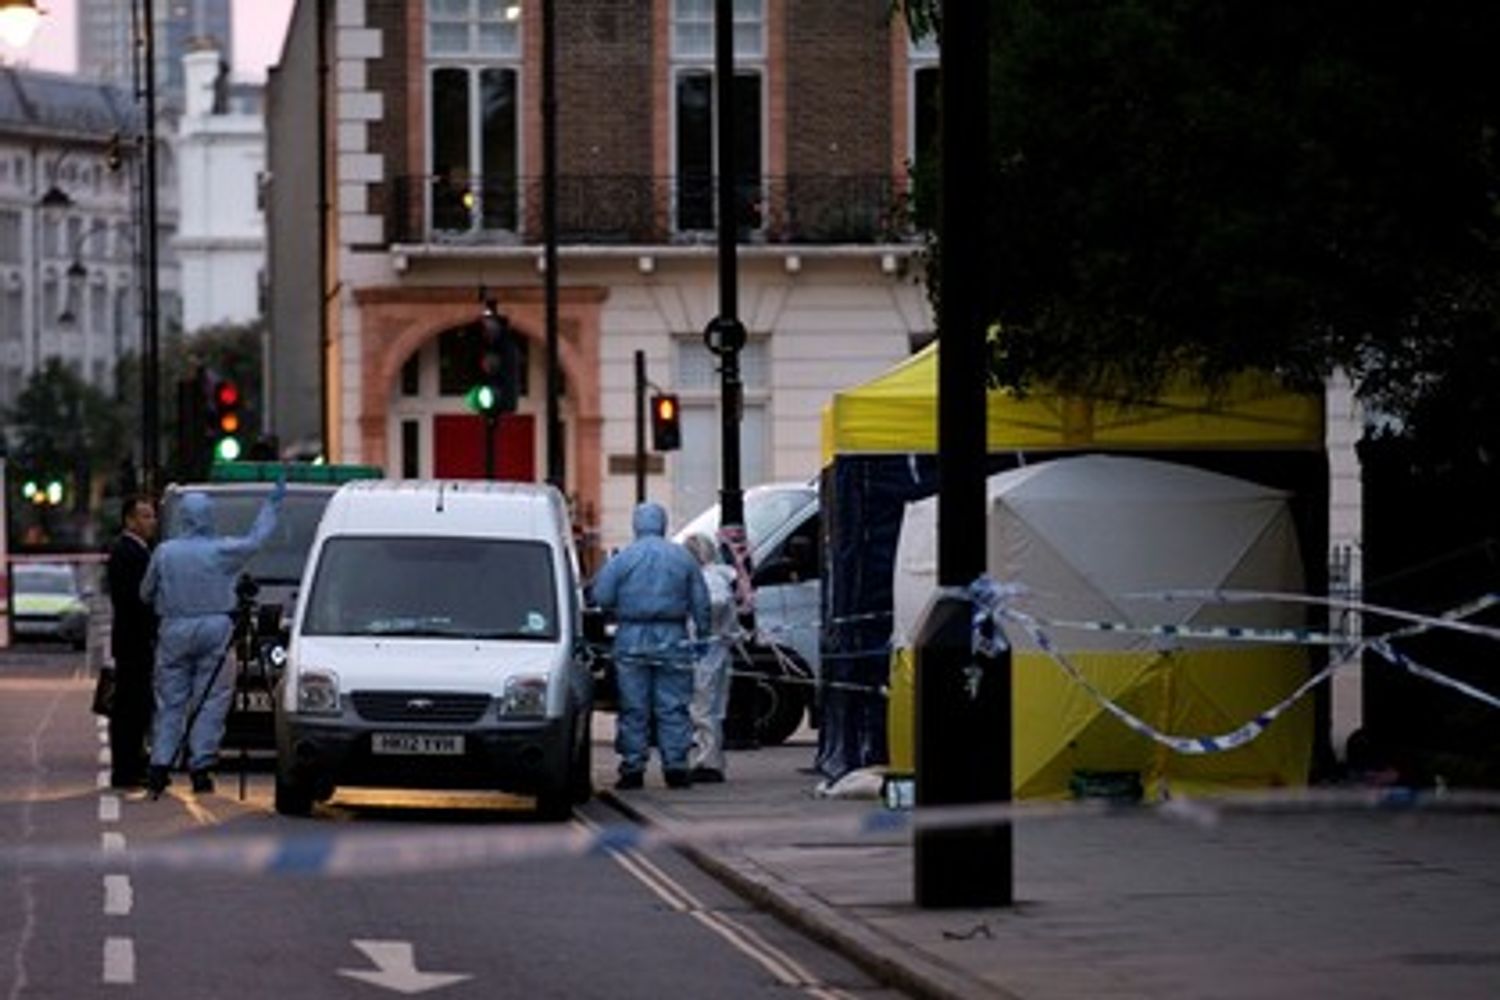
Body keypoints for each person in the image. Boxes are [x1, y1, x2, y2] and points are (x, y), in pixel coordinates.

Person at [142, 474, 286, 796]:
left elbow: (145, 592)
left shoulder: (165, 552)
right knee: (212, 700)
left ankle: (160, 764)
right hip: (216, 628)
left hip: (175, 628)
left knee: (170, 701)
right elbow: (255, 540)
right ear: (208, 517)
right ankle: (201, 766)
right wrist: (271, 507)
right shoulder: (222, 551)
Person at [592, 502, 710, 790]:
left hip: (631, 635)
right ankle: (676, 766)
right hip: (673, 635)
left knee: (634, 706)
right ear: (663, 524)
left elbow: (602, 596)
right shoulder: (682, 558)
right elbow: (701, 603)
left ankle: (633, 768)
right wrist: (703, 636)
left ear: (636, 525)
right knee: (673, 705)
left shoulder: (623, 559)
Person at [106, 495, 159, 789]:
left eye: (152, 516)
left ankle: (131, 763)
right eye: (145, 516)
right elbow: (136, 600)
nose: (152, 522)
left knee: (136, 705)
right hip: (133, 641)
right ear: (129, 520)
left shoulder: (135, 550)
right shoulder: (128, 552)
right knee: (131, 706)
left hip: (132, 640)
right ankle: (126, 768)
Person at [683, 533, 738, 784]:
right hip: (717, 650)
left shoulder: (709, 578)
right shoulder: (719, 576)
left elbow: (715, 603)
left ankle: (708, 761)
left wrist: (702, 622)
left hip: (706, 651)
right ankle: (712, 758)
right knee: (712, 709)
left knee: (703, 709)